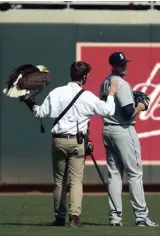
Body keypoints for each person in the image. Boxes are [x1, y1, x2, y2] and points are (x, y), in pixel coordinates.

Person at [24, 61, 118, 228]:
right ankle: (74, 216)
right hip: (78, 142)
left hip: (58, 140)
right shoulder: (87, 96)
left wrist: (28, 100)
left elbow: (40, 112)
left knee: (60, 181)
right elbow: (108, 111)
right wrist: (111, 94)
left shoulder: (57, 92)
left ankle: (59, 217)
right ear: (84, 77)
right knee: (76, 181)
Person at [99, 52, 158, 227]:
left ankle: (115, 218)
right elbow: (127, 113)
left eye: (125, 63)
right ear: (113, 66)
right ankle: (141, 217)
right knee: (135, 173)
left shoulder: (105, 83)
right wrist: (141, 106)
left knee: (115, 176)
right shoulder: (122, 84)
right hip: (123, 130)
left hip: (108, 130)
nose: (124, 66)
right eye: (120, 64)